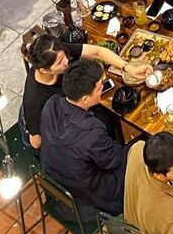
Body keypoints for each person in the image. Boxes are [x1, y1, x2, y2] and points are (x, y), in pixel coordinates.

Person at [20, 32, 150, 151]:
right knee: (102, 124)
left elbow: (97, 52)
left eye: (65, 56)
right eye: (59, 63)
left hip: (76, 106)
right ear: (44, 70)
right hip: (58, 128)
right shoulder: (34, 100)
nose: (66, 61)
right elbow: (36, 142)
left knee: (106, 116)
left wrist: (130, 69)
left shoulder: (56, 52)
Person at [39, 59, 126, 218]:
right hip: (90, 201)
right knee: (137, 148)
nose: (102, 88)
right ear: (85, 98)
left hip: (59, 188)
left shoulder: (51, 105)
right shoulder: (91, 133)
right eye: (99, 88)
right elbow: (114, 160)